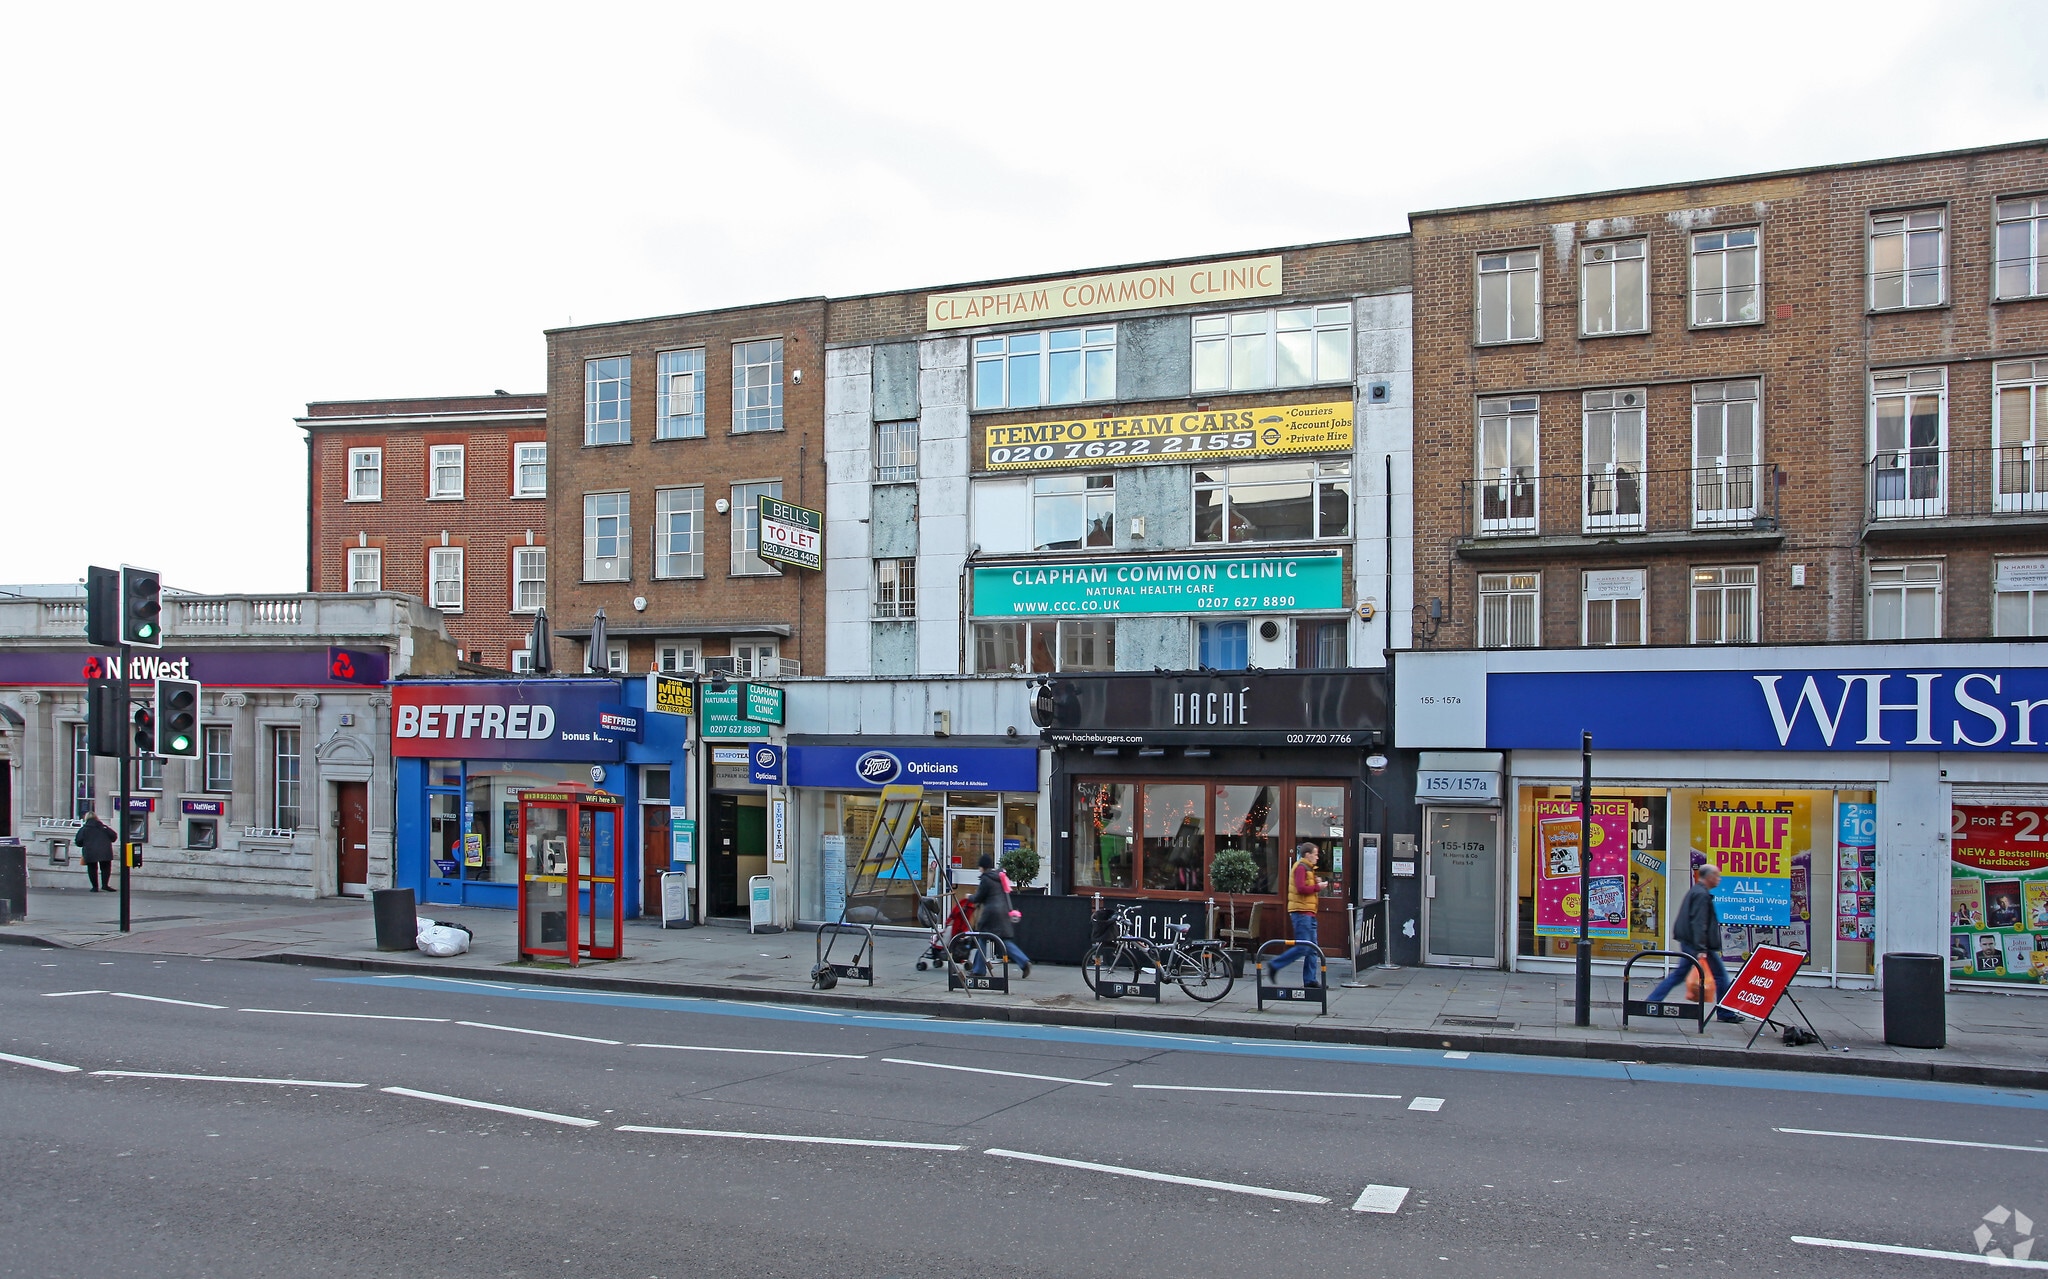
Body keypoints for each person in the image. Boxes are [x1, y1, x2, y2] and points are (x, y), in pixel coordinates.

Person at [1648, 864, 1743, 1023]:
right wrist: (1701, 948)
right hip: (1696, 944)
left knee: (1679, 975)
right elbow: (1699, 923)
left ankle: (1652, 1001)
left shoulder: (1697, 891)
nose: (1719, 879)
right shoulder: (1701, 895)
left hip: (1690, 942)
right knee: (1720, 975)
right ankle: (1725, 1013)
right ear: (1710, 877)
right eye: (1717, 876)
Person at [1262, 842, 1327, 988]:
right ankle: (1275, 964)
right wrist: (1318, 887)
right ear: (1307, 854)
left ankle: (1310, 980)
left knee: (1313, 948)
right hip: (1301, 913)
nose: (1317, 857)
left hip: (1308, 912)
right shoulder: (1300, 867)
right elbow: (1301, 888)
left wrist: (1315, 883)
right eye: (1315, 854)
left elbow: (1305, 886)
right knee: (1304, 947)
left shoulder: (1308, 868)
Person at [967, 853, 1030, 978]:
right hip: (1002, 912)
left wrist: (969, 897)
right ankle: (1024, 962)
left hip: (990, 914)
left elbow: (979, 897)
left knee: (982, 939)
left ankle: (979, 970)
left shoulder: (986, 879)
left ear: (983, 867)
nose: (979, 869)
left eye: (980, 867)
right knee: (1004, 940)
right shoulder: (999, 877)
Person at [75, 810, 117, 893]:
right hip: (105, 851)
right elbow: (114, 837)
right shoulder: (104, 827)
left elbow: (78, 841)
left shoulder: (84, 829)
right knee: (105, 868)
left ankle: (95, 887)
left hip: (90, 851)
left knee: (92, 869)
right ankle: (105, 885)